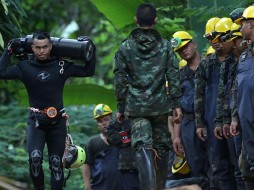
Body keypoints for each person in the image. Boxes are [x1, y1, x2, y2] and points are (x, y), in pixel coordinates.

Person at [0, 31, 96, 190]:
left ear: (51, 46)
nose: (41, 51)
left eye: (45, 47)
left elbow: (88, 71)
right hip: (36, 122)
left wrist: (92, 49)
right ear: (32, 47)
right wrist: (8, 50)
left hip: (57, 122)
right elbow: (1, 73)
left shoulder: (61, 65)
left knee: (57, 163)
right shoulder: (24, 67)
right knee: (35, 159)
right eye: (37, 47)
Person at [113, 3, 182, 190]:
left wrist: (120, 108)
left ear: (136, 21)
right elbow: (173, 76)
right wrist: (176, 104)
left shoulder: (125, 48)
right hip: (160, 107)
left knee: (142, 146)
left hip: (136, 108)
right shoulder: (166, 47)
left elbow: (120, 81)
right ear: (156, 21)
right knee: (160, 149)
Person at [195, 18, 236, 190]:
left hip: (232, 118)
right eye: (212, 40)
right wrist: (200, 124)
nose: (216, 43)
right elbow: (198, 95)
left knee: (238, 163)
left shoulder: (235, 60)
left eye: (220, 39)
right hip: (212, 122)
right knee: (218, 165)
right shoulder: (205, 64)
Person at [170, 31, 209, 189]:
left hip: (210, 119)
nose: (183, 51)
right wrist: (177, 136)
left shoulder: (209, 66)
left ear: (194, 44)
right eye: (180, 50)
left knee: (217, 163)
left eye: (185, 46)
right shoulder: (181, 75)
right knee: (195, 165)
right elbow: (178, 111)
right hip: (188, 124)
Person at [214, 18, 247, 190]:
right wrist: (223, 120)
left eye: (223, 39)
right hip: (236, 122)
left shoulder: (248, 59)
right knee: (238, 169)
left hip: (247, 119)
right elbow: (224, 95)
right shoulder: (227, 64)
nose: (220, 43)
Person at [230, 5, 254, 189]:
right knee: (246, 169)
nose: (240, 28)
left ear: (252, 25)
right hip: (247, 128)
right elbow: (237, 89)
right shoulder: (244, 56)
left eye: (243, 24)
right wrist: (235, 118)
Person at [82, 104, 123, 190]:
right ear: (98, 125)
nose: (104, 123)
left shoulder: (122, 139)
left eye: (106, 119)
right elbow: (86, 165)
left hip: (122, 185)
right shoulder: (92, 142)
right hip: (99, 186)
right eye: (100, 121)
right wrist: (87, 186)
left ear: (113, 120)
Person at [106, 116, 140, 190]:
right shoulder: (117, 118)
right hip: (129, 165)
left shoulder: (142, 111)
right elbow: (112, 138)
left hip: (148, 161)